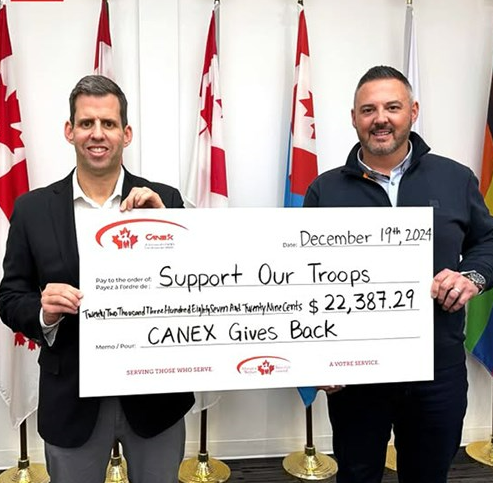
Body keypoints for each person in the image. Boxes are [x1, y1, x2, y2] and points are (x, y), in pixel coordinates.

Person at [0, 75, 194, 483]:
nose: (97, 134)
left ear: (126, 133)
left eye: (108, 123)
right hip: (71, 398)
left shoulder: (164, 201)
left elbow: (199, 285)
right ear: (69, 131)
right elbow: (10, 296)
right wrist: (43, 312)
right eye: (86, 123)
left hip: (154, 398)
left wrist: (168, 227)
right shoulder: (32, 209)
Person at [305, 65, 493, 483]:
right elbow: (304, 278)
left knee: (428, 475)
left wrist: (473, 277)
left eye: (392, 107)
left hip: (437, 369)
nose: (381, 119)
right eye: (368, 110)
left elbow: (488, 242)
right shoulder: (324, 190)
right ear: (354, 118)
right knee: (357, 474)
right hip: (356, 373)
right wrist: (315, 356)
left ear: (413, 111)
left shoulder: (455, 178)